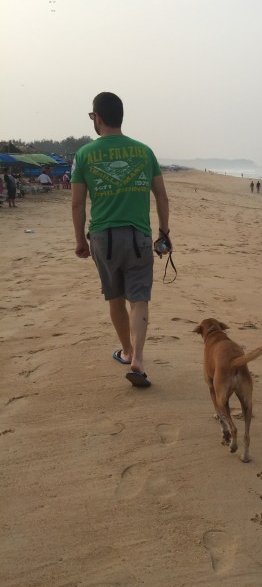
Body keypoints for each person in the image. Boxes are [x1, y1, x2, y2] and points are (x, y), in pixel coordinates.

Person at [71, 91, 170, 388]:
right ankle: (138, 357)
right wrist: (164, 233)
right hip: (139, 235)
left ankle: (126, 351)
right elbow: (161, 197)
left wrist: (80, 240)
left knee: (115, 297)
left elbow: (77, 203)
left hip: (103, 236)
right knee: (139, 299)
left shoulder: (84, 154)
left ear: (98, 118)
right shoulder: (144, 152)